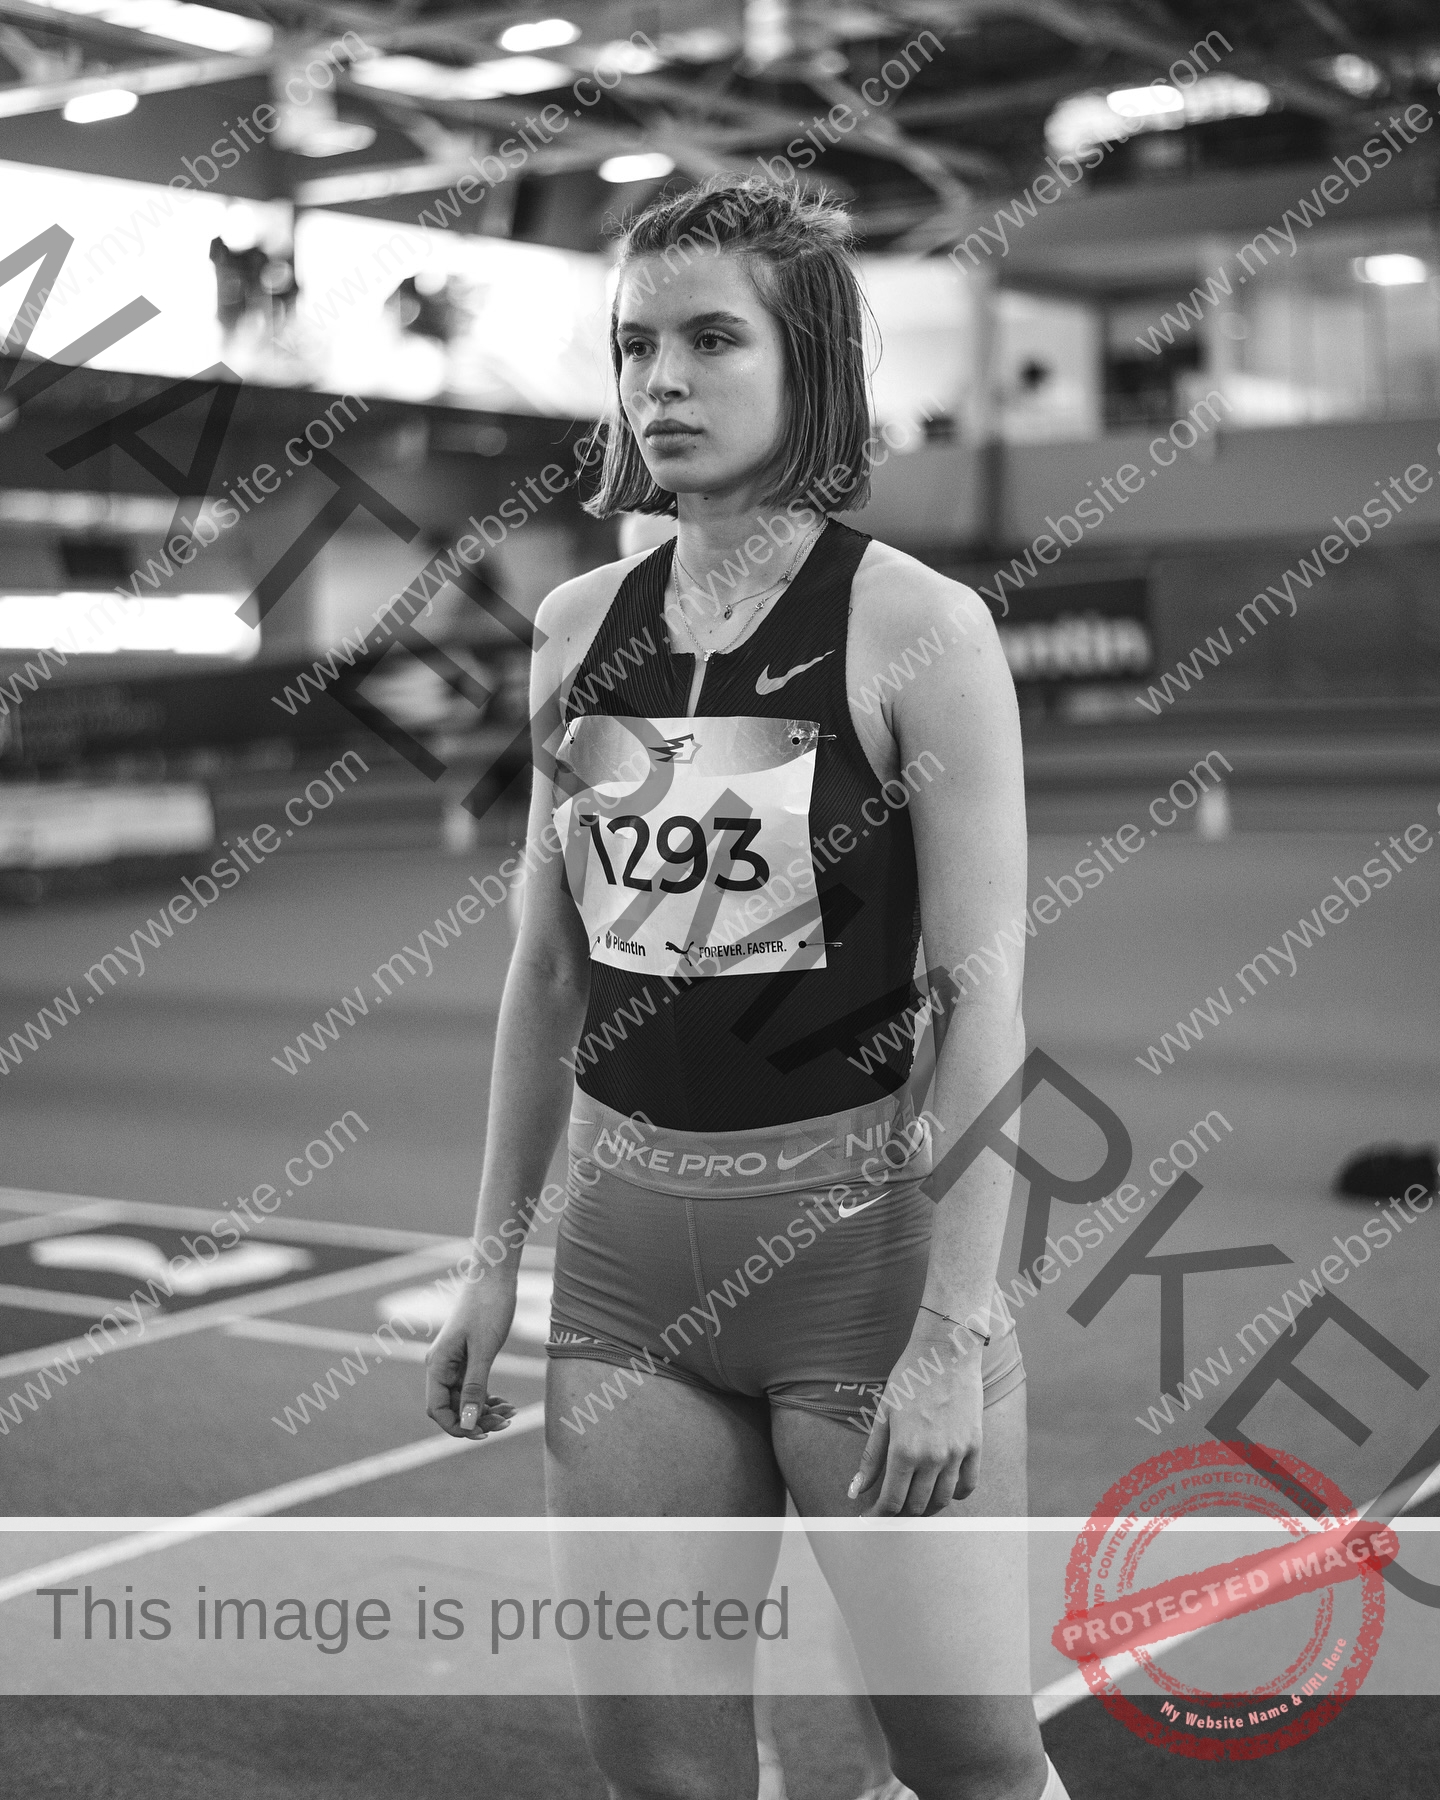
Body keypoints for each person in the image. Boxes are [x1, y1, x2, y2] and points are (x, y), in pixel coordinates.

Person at [427, 174, 1070, 1800]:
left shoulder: (918, 627)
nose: (662, 382)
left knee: (972, 1759)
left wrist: (951, 1331)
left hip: (860, 1265)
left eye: (714, 341)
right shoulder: (577, 629)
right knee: (668, 1773)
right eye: (636, 344)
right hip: (629, 1267)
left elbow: (988, 998)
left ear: (813, 370)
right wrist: (492, 1261)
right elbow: (547, 966)